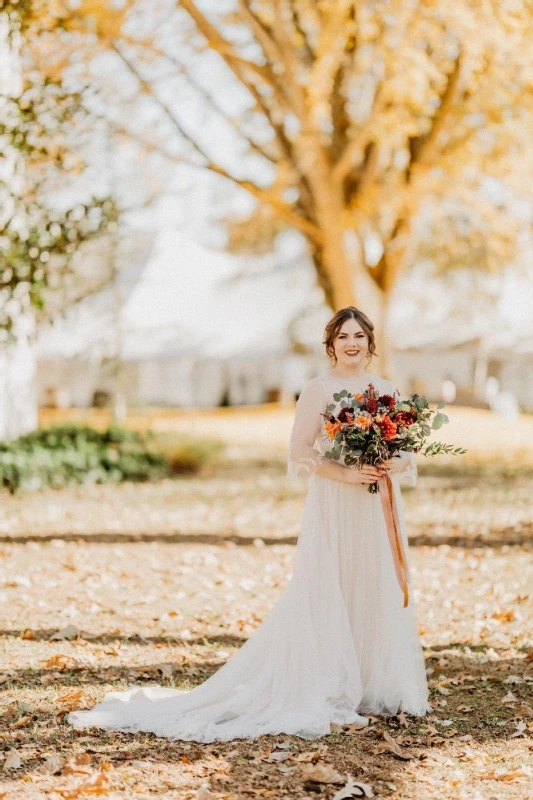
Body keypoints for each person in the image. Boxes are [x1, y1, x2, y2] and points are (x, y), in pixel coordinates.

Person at [68, 306, 432, 743]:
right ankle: (329, 679)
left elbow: (405, 450)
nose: (351, 343)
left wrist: (384, 462)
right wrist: (348, 473)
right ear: (331, 345)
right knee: (330, 584)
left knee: (371, 583)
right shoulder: (319, 390)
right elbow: (301, 453)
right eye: (343, 337)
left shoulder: (387, 389)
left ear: (370, 342)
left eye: (358, 336)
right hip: (336, 501)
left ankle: (371, 680)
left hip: (373, 505)